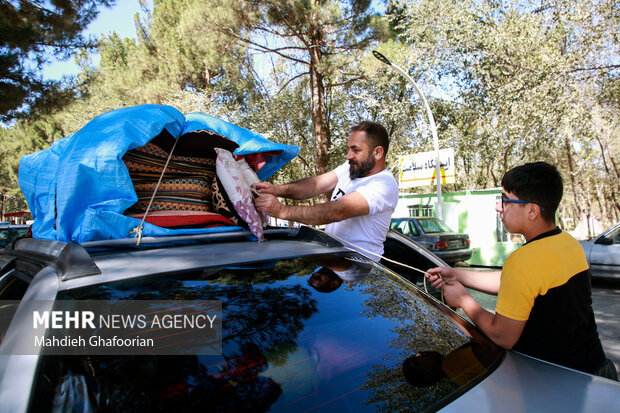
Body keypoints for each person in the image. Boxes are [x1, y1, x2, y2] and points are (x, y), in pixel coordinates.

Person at [425, 161, 617, 380]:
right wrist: (457, 275)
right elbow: (520, 285)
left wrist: (463, 300)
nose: (499, 207)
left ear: (532, 210)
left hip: (554, 380)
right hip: (596, 370)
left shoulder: (523, 260)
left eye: (506, 200)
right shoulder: (568, 244)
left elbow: (502, 336)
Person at [253, 121, 399, 259]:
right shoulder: (351, 168)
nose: (349, 156)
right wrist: (277, 190)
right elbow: (315, 185)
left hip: (361, 271)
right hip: (336, 261)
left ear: (378, 152)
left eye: (356, 150)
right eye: (348, 149)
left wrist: (281, 211)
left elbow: (337, 211)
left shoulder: (384, 185)